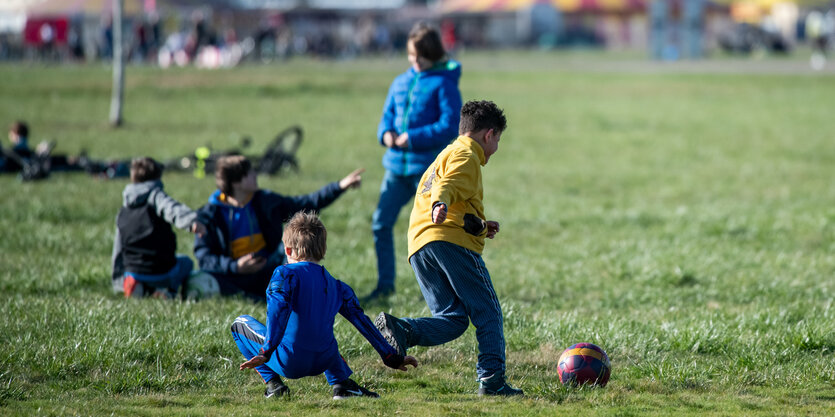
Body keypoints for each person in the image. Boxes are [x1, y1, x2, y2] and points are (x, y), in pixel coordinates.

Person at [374, 100, 523, 396]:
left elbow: (455, 197)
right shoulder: (467, 155)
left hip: (420, 244)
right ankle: (492, 380)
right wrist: (440, 203)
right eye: (498, 141)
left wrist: (481, 226)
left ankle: (402, 329)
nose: (496, 149)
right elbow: (448, 187)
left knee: (453, 319)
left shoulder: (446, 153)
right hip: (448, 241)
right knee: (488, 312)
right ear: (489, 135)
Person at [232, 211, 418, 399]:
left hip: (290, 363)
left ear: (288, 250)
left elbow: (278, 312)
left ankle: (274, 385)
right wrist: (391, 357)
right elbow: (364, 324)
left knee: (239, 324)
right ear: (322, 250)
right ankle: (342, 385)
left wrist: (266, 351)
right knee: (322, 336)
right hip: (323, 360)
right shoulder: (338, 286)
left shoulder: (284, 274)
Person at [366, 22, 463, 302]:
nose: (415, 62)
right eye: (411, 56)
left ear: (432, 54)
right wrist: (385, 134)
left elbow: (449, 126)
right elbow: (386, 118)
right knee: (380, 224)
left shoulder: (444, 84)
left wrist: (412, 138)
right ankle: (385, 286)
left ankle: (446, 291)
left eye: (419, 56)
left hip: (427, 170)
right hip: (396, 169)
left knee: (435, 232)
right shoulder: (400, 82)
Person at [194, 155, 363, 301]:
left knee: (289, 251)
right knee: (207, 278)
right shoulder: (209, 215)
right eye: (250, 173)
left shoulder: (265, 201)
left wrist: (340, 186)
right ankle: (258, 296)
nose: (255, 175)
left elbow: (305, 203)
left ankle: (291, 295)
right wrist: (235, 266)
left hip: (269, 270)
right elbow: (204, 258)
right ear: (237, 182)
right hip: (234, 275)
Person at [111, 157, 207, 298]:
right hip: (161, 270)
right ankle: (169, 292)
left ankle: (140, 287)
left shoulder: (123, 210)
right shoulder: (155, 196)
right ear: (158, 177)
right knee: (186, 263)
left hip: (133, 271)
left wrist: (118, 281)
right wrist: (191, 221)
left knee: (140, 273)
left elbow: (118, 249)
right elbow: (171, 208)